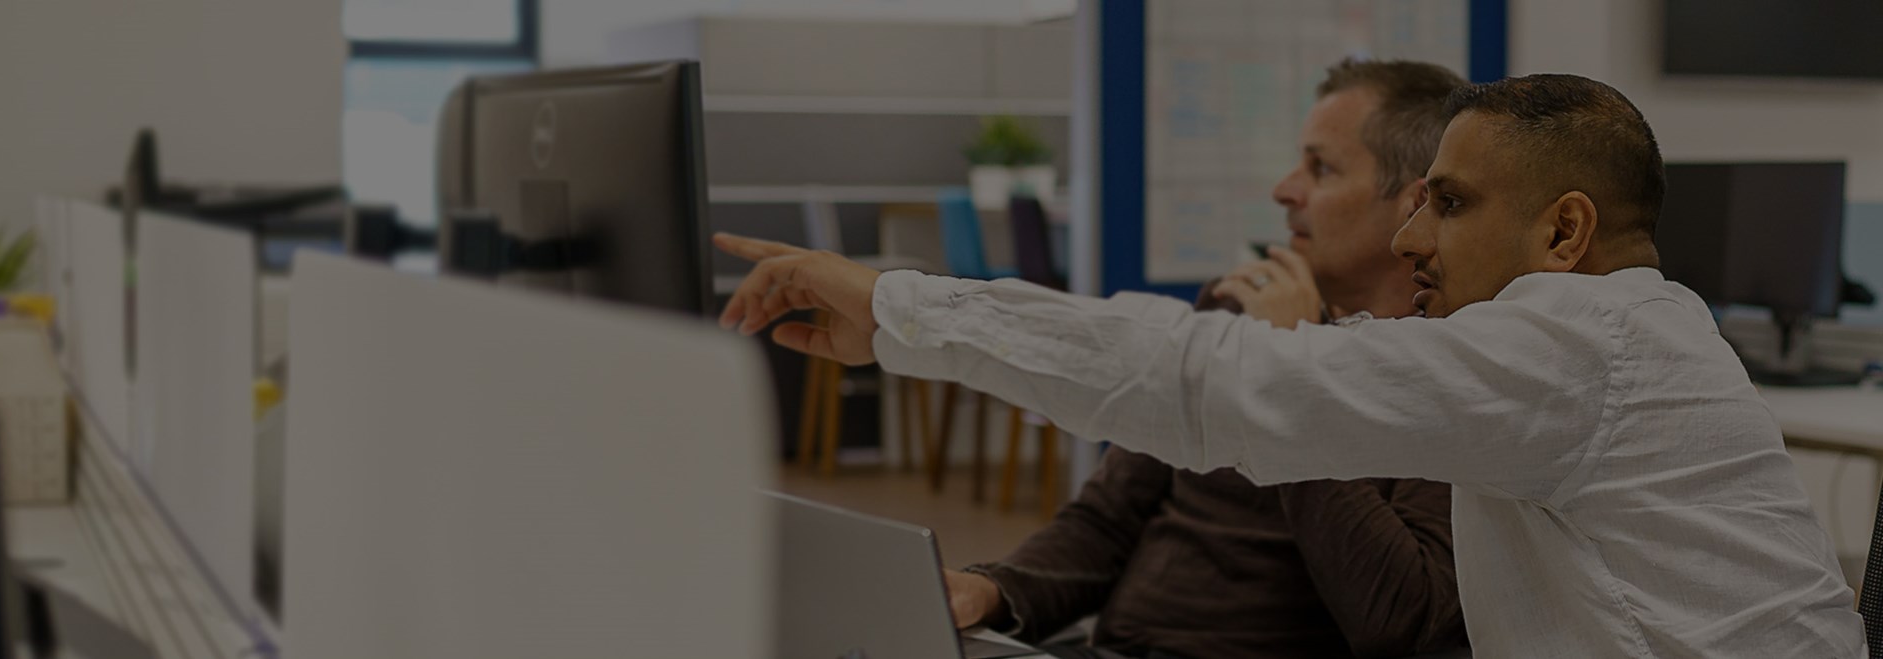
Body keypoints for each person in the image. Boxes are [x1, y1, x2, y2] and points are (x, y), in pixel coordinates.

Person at [714, 73, 1867, 656]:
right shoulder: (1588, 347)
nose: (1416, 237)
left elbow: (1229, 386)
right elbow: (1226, 385)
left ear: (1564, 233)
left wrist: (901, 308)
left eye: (1450, 206)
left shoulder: (1583, 344)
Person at [938, 59, 1469, 659]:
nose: (1284, 189)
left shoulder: (1444, 374)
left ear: (1412, 205)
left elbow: (1400, 621)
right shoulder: (1233, 314)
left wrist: (1292, 365)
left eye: (1320, 168)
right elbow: (1107, 522)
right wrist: (990, 589)